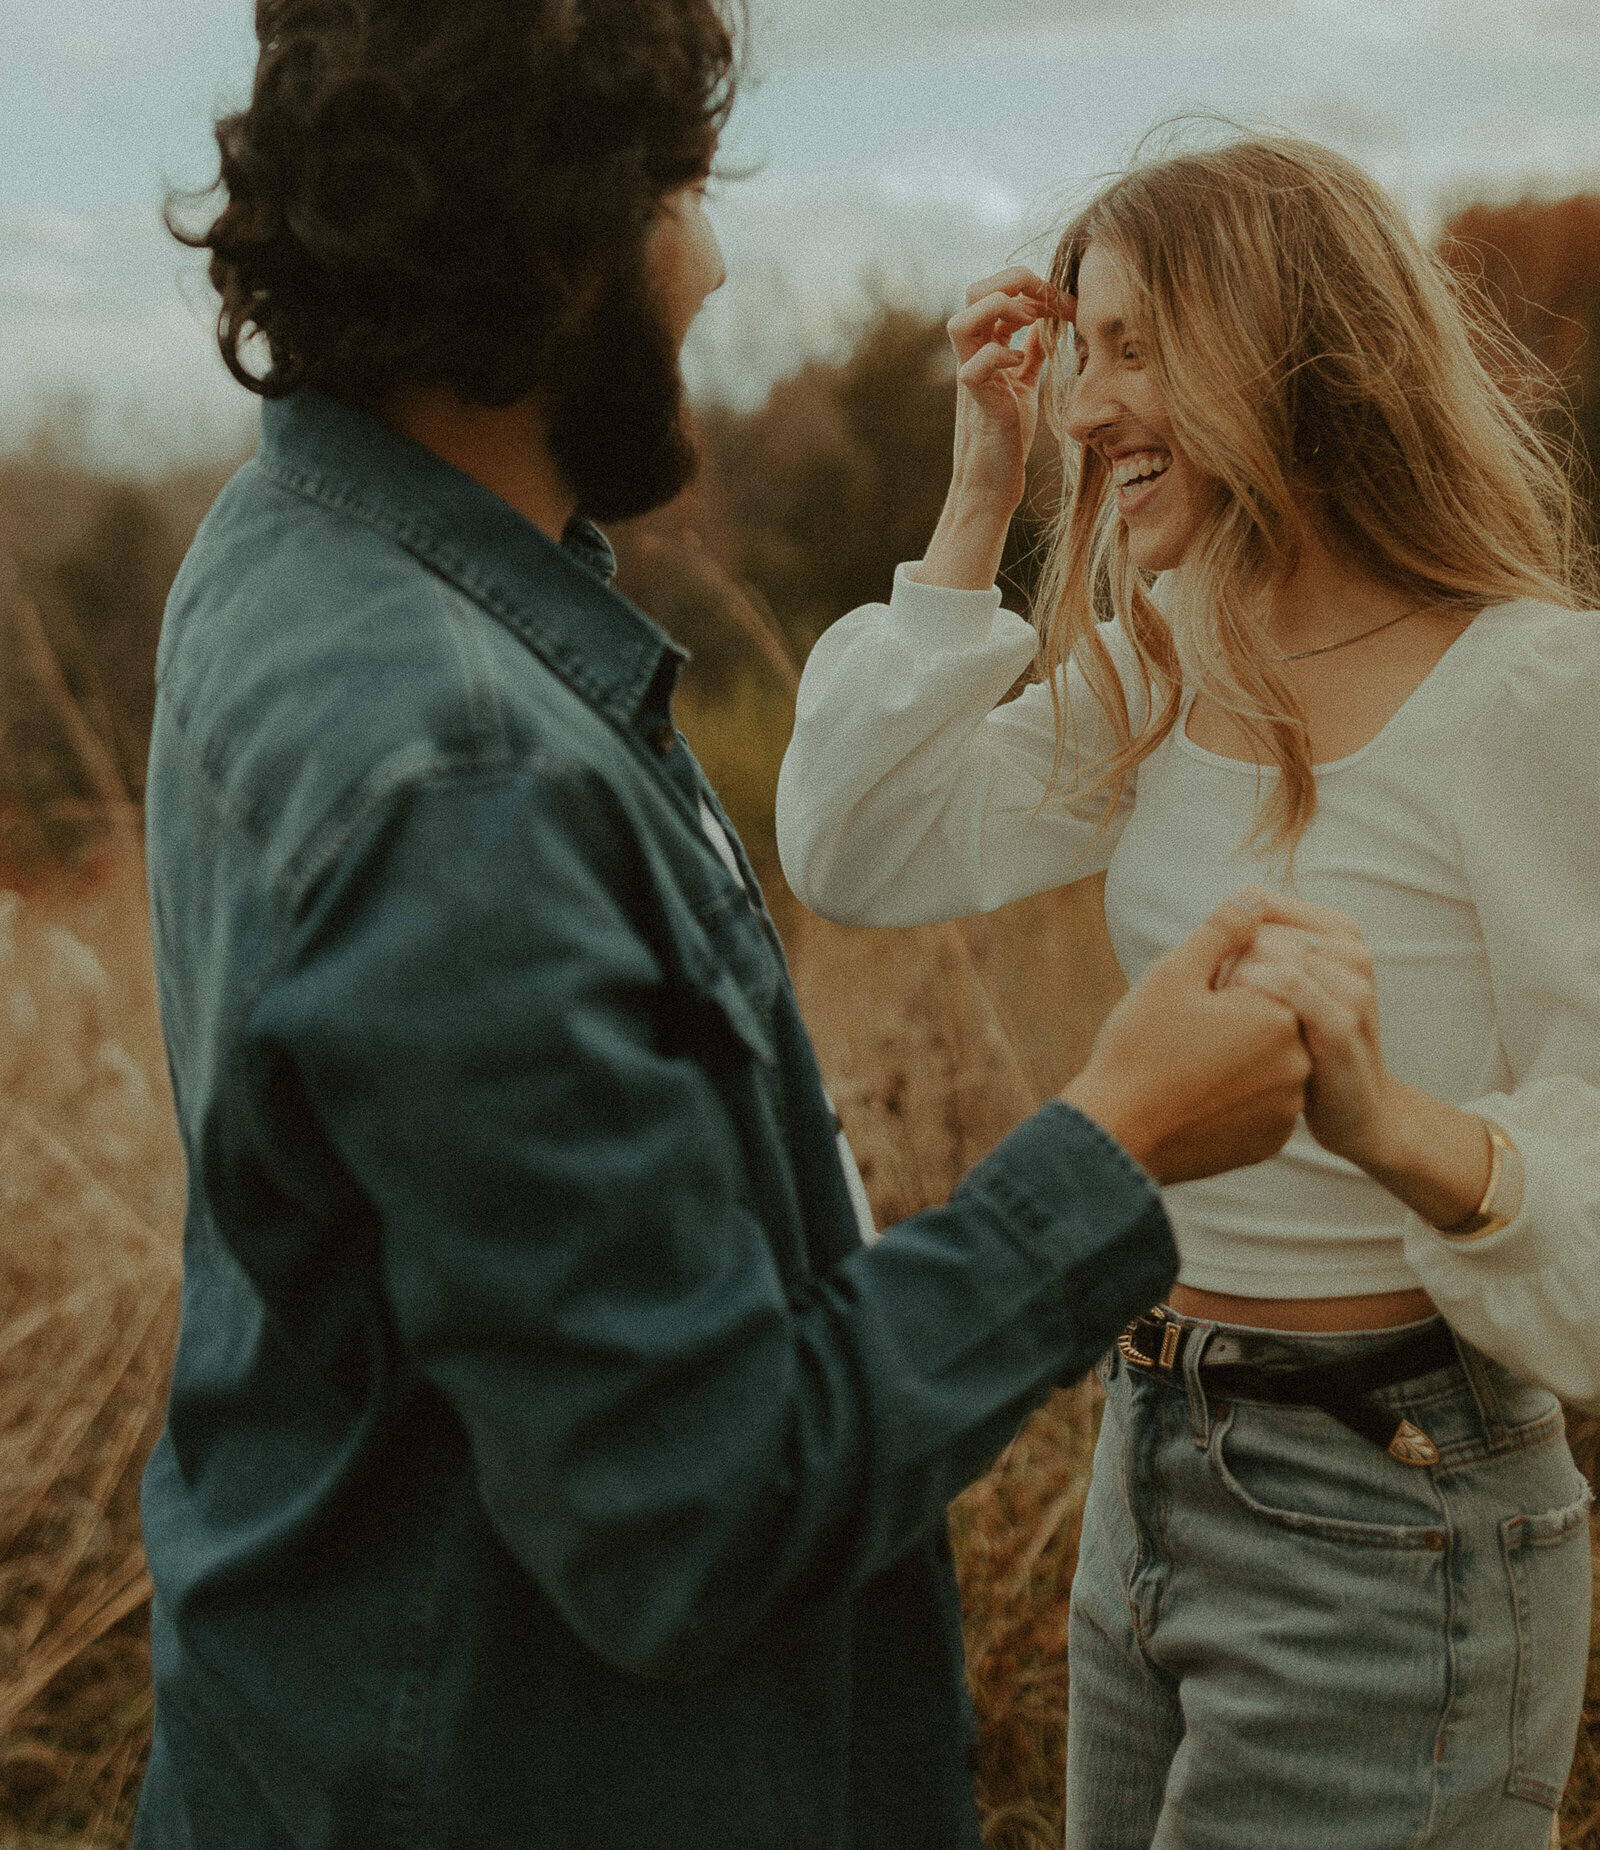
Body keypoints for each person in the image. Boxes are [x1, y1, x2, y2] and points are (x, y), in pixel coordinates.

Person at [133, 12, 1317, 1849]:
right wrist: (1117, 1146)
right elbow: (697, 1502)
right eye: (684, 193)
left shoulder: (296, 545)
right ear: (554, 239)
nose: (717, 257)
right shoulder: (459, 774)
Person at [777, 133, 1600, 1850]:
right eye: (1078, 349)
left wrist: (1391, 1125)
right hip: (1149, 1449)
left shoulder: (1528, 690)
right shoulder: (1176, 649)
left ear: (1290, 341)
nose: (1084, 404)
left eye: (1132, 344)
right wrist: (975, 500)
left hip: (1398, 1502)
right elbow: (860, 846)